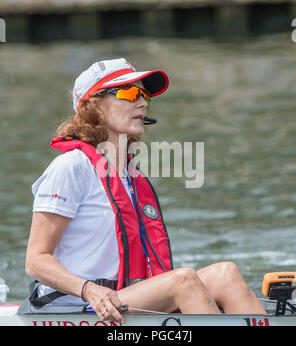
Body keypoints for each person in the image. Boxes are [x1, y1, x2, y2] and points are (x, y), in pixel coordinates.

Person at [25, 58, 266, 325]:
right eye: (129, 93)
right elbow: (35, 261)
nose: (142, 103)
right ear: (96, 108)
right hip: (74, 304)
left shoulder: (130, 174)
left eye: (144, 95)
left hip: (124, 296)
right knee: (182, 281)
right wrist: (89, 290)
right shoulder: (70, 167)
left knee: (226, 274)